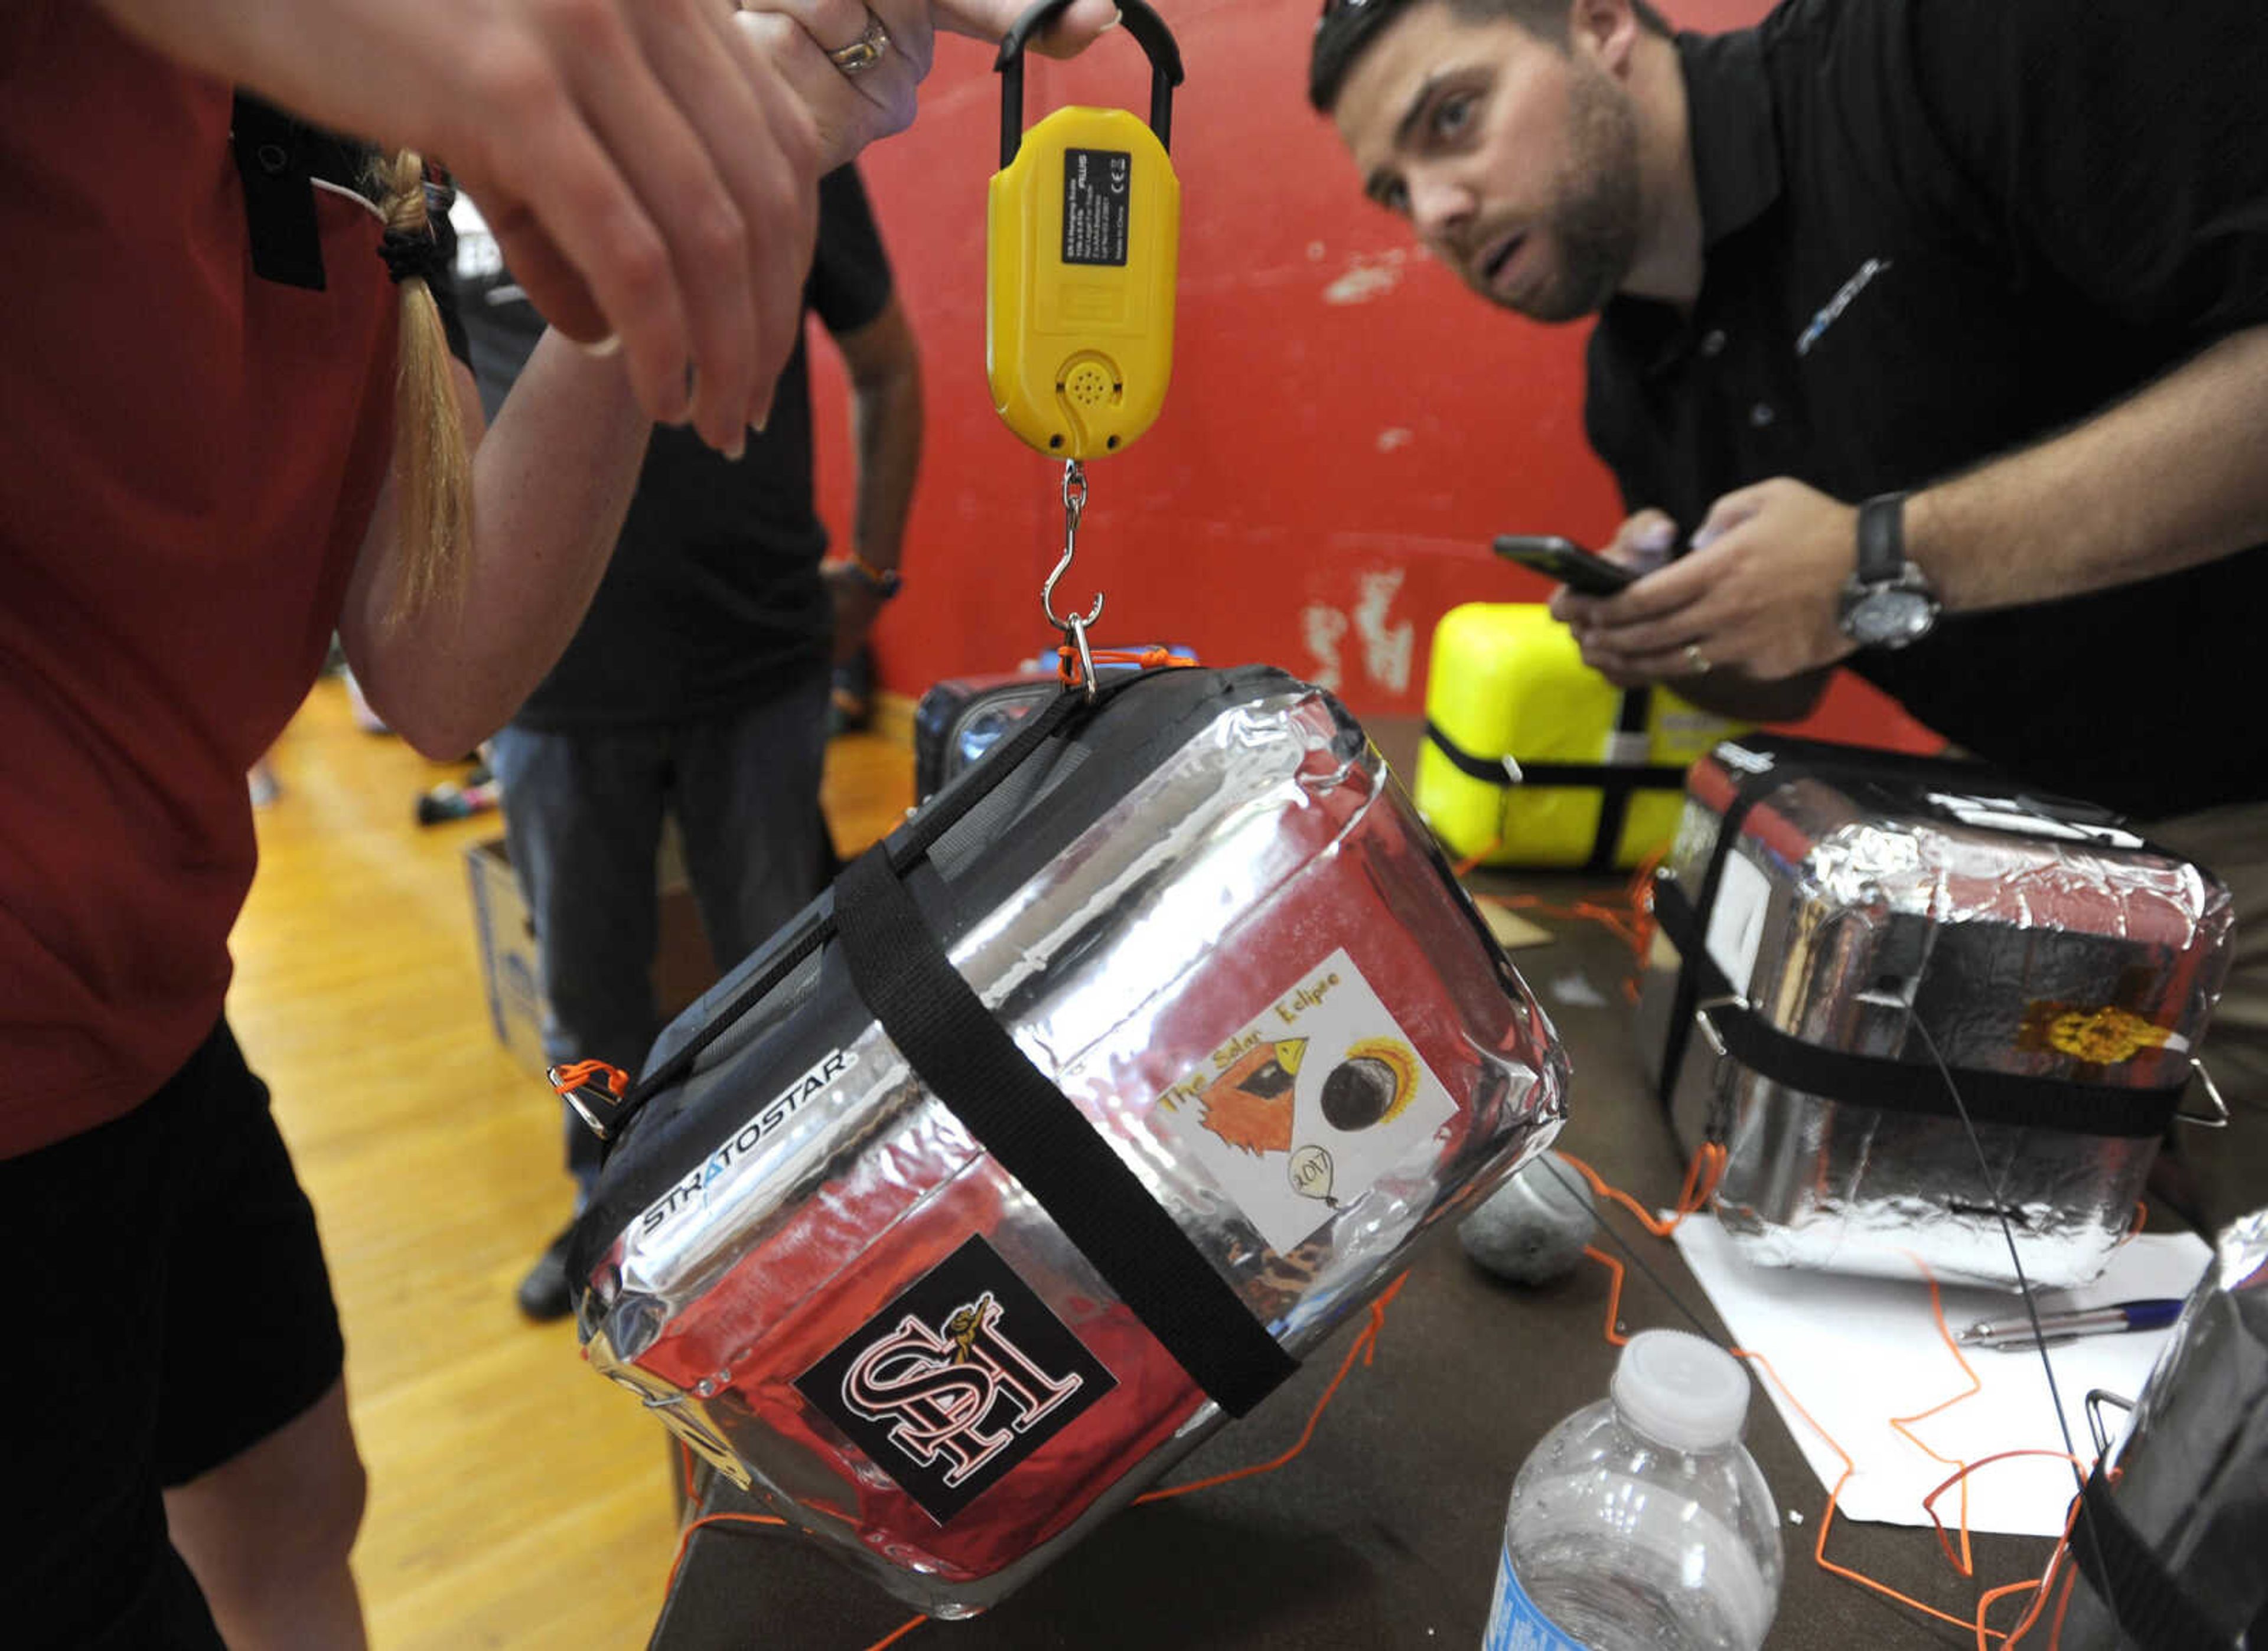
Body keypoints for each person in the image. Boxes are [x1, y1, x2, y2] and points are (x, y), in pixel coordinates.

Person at [1, 0, 1111, 1642]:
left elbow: (437, 655)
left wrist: (659, 237)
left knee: (294, 1492)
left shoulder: (354, 168)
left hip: (158, 1008)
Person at [1311, 0, 2268, 1221]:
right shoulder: (1635, 378)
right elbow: (1792, 672)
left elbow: (1860, 587)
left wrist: (1877, 560)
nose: (1437, 211)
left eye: (1455, 118)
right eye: (1397, 192)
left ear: (1600, 25)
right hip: (2024, 844)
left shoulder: (1944, 57)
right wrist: (1683, 627)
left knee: (2201, 1316)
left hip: (2245, 825)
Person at [454, 168, 923, 1321]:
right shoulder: (437, 146)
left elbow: (889, 363)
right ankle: (611, 1211)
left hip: (755, 664)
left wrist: (872, 568)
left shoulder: (776, 119)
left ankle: (814, 1212)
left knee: (790, 990)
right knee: (584, 1011)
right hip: (551, 690)